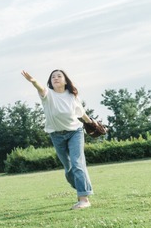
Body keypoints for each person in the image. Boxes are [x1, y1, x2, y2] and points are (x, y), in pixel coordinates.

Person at [21, 68, 96, 210]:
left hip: (75, 132)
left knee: (77, 164)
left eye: (59, 76)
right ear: (50, 82)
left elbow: (81, 113)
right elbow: (40, 88)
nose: (55, 78)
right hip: (56, 135)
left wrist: (91, 123)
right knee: (69, 169)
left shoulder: (72, 96)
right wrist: (33, 81)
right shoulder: (47, 94)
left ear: (65, 80)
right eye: (53, 77)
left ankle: (84, 199)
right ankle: (81, 186)